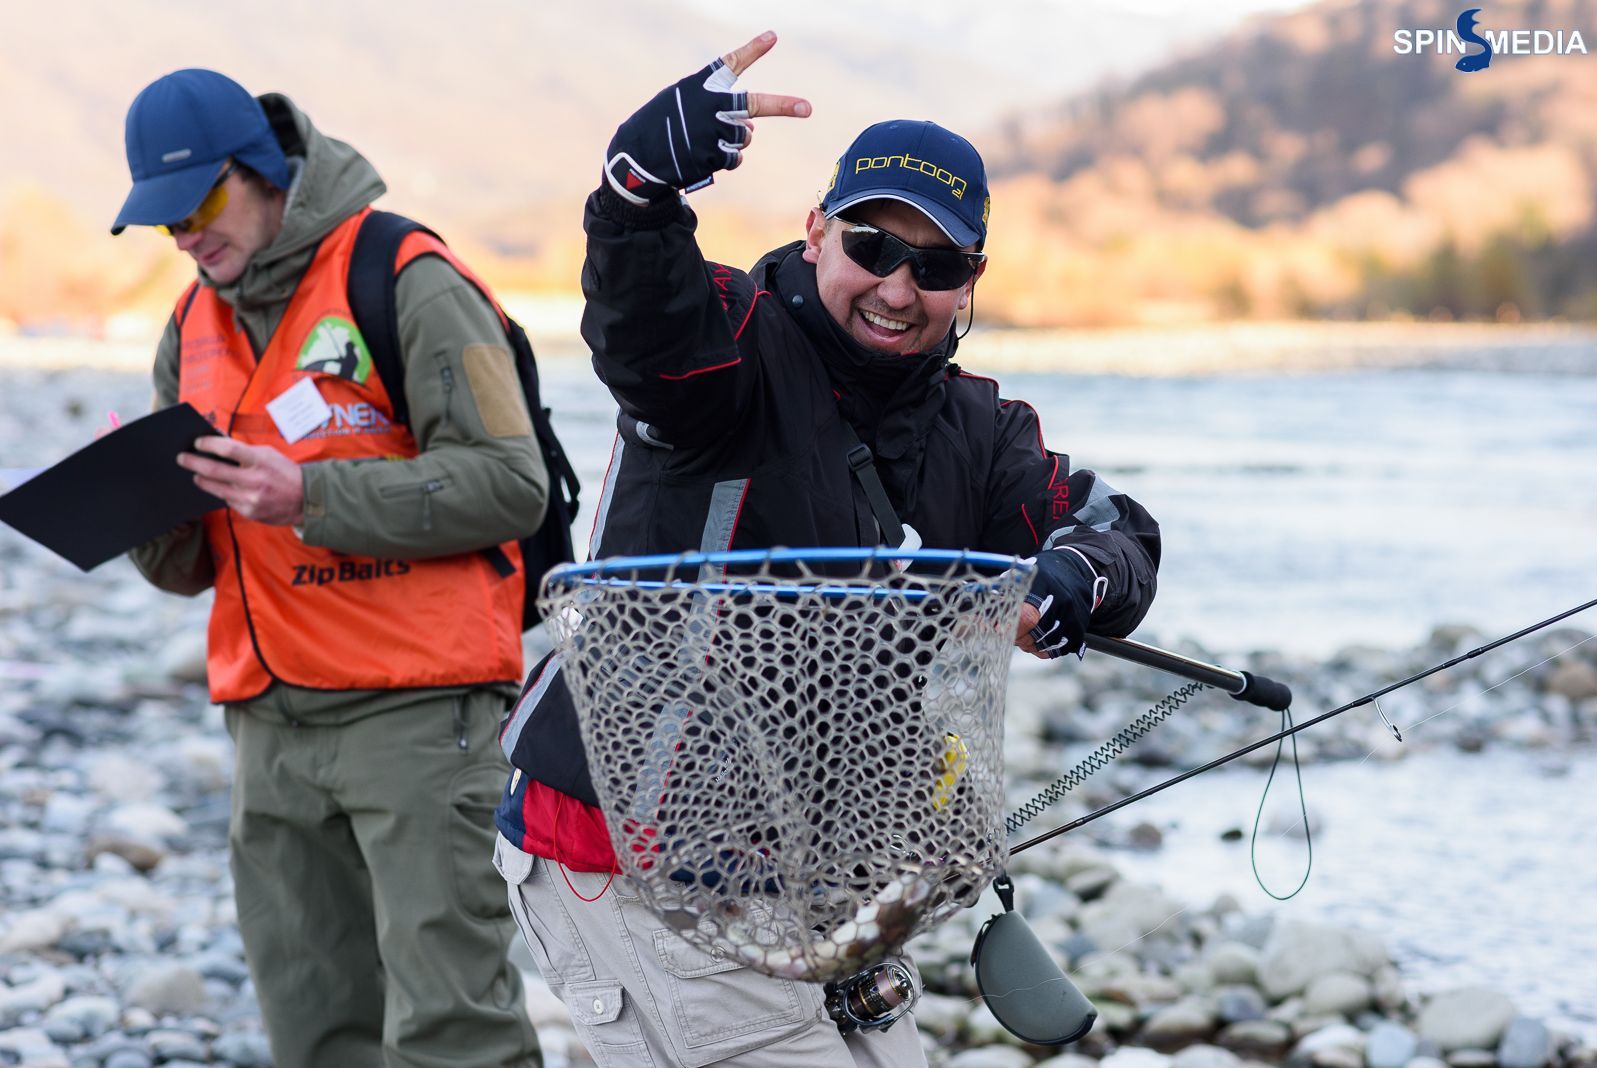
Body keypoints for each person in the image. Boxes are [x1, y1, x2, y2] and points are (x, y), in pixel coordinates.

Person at [493, 32, 1160, 1067]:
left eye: (935, 266)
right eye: (872, 247)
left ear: (970, 282)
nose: (898, 288)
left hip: (823, 878)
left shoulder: (983, 433)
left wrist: (1076, 579)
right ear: (815, 234)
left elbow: (1113, 528)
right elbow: (642, 329)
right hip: (625, 857)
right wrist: (637, 191)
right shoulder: (726, 348)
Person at [110, 69, 545, 1068]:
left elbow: (509, 486)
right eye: (162, 221)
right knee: (315, 1029)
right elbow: (185, 570)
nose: (184, 235)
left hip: (416, 717)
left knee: (454, 1031)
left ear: (264, 171)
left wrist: (307, 497)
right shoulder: (191, 326)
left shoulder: (406, 276)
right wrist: (143, 510)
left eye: (201, 205)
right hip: (268, 724)